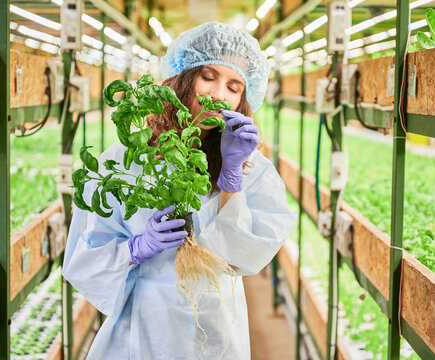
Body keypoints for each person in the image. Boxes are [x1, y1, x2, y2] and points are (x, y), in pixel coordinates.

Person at [62, 21, 297, 359]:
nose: (219, 95)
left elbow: (252, 252)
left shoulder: (249, 165)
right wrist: (135, 248)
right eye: (208, 77)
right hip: (144, 323)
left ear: (244, 99)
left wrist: (231, 179)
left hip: (216, 323)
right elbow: (84, 256)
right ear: (182, 80)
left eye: (234, 86)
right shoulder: (129, 156)